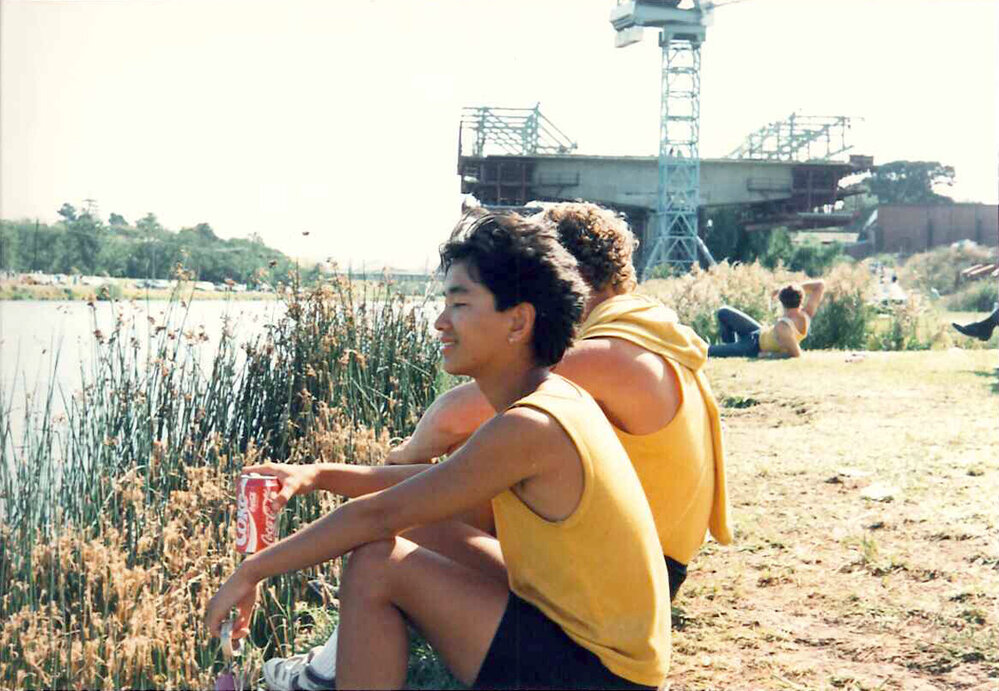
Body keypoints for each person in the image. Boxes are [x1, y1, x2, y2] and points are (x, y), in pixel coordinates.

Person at [262, 201, 732, 690]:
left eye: (461, 304)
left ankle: (331, 669)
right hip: (605, 600)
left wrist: (250, 573)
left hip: (609, 648)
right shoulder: (608, 362)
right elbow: (432, 487)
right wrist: (317, 474)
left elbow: (436, 439)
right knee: (422, 522)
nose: (441, 322)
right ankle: (339, 661)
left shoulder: (590, 374)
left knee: (379, 562)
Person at [707, 279, 826, 358]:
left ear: (781, 301)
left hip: (753, 347)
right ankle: (731, 350)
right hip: (758, 332)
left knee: (709, 350)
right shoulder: (807, 313)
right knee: (723, 312)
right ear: (802, 298)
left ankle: (731, 350)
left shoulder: (783, 327)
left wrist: (767, 355)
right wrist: (790, 289)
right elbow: (820, 285)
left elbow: (796, 354)